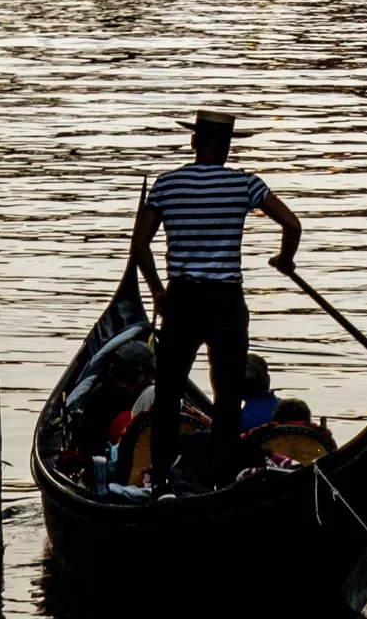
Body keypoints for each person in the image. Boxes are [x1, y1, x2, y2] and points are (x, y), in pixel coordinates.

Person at [128, 111, 302, 490]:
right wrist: (285, 259)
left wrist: (157, 290)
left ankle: (160, 477)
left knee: (170, 391)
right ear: (224, 145)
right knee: (227, 394)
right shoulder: (245, 184)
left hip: (182, 298)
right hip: (225, 300)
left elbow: (139, 245)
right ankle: (222, 478)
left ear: (195, 142)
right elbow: (292, 225)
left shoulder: (167, 185)